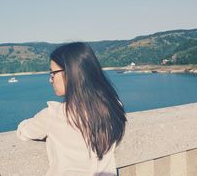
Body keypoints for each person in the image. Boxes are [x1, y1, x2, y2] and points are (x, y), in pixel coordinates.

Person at [17, 42, 127, 176]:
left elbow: (24, 132)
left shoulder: (54, 115)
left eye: (53, 73)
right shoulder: (113, 106)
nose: (50, 80)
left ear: (70, 73)